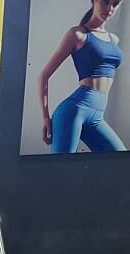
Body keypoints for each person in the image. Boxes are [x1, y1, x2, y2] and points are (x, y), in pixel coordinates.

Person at [39, 0, 125, 153]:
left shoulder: (114, 39)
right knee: (61, 167)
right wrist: (45, 117)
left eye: (115, 3)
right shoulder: (78, 34)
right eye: (105, 2)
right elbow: (43, 76)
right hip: (73, 112)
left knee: (121, 161)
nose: (110, 8)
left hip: (97, 117)